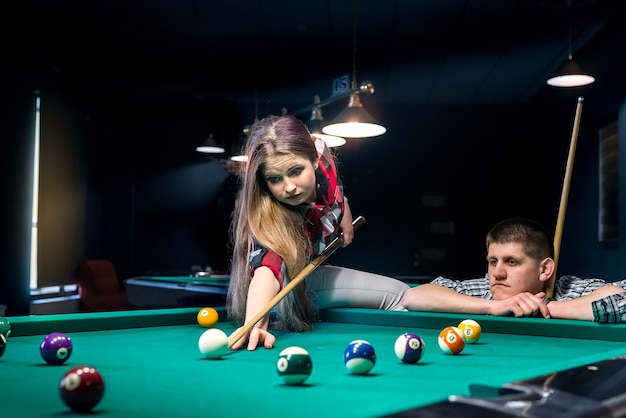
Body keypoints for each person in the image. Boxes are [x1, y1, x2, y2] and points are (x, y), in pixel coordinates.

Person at [226, 115, 409, 351]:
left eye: (295, 171)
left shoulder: (320, 150)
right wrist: (255, 325)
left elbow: (335, 188)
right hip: (288, 289)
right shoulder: (270, 219)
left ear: (313, 160)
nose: (289, 187)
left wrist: (343, 209)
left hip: (311, 271)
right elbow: (267, 270)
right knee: (399, 295)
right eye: (274, 178)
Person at [401, 217, 626, 323]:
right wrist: (495, 306)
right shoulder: (486, 290)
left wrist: (546, 308)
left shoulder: (569, 289)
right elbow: (414, 297)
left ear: (545, 269)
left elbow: (622, 301)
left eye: (511, 262)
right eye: (492, 261)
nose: (497, 273)